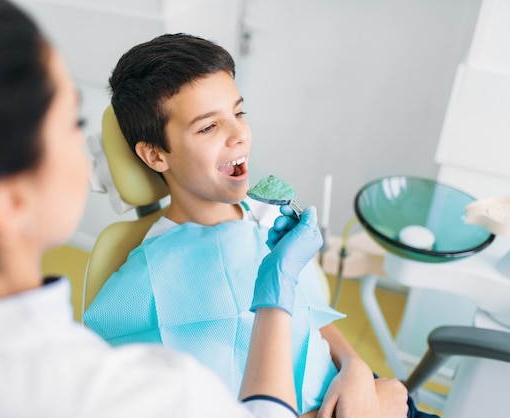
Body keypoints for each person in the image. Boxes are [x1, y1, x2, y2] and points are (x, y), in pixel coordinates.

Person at [0, 1, 325, 417]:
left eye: (239, 113)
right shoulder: (149, 392)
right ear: (7, 202)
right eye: (72, 124)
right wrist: (276, 296)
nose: (91, 157)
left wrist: (362, 374)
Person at [83, 33, 438, 418]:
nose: (239, 136)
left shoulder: (268, 219)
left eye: (238, 113)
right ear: (155, 155)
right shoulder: (141, 284)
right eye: (208, 128)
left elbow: (310, 318)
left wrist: (355, 369)